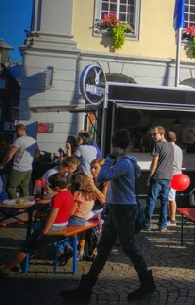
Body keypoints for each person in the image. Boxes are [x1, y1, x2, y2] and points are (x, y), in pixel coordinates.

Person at [61, 129, 156, 300]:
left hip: (124, 209)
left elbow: (102, 177)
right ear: (129, 145)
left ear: (113, 145)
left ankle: (147, 284)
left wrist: (110, 158)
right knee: (104, 247)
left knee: (129, 247)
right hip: (117, 208)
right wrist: (109, 206)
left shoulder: (123, 163)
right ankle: (86, 288)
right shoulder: (128, 162)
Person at [0, 173, 74, 274]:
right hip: (62, 224)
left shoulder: (58, 197)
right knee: (36, 246)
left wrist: (45, 230)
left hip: (53, 226)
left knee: (27, 245)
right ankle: (20, 263)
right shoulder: (69, 194)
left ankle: (6, 269)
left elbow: (53, 216)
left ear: (56, 187)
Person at [146, 126, 174, 232]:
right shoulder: (171, 146)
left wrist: (149, 176)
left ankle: (147, 223)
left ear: (161, 134)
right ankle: (162, 226)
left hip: (157, 176)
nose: (153, 136)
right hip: (167, 177)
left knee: (151, 201)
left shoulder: (158, 145)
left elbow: (154, 163)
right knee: (164, 201)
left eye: (155, 134)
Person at [2, 124, 40, 199]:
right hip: (28, 169)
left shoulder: (19, 140)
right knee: (24, 187)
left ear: (19, 130)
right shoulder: (33, 140)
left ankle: (16, 204)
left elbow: (10, 155)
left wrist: (3, 164)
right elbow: (37, 154)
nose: (16, 133)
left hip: (18, 168)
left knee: (10, 188)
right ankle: (27, 205)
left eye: (16, 131)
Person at [166, 131, 183, 227]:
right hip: (178, 174)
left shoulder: (167, 149)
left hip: (170, 174)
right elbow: (180, 163)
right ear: (175, 139)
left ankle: (172, 219)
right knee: (172, 197)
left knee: (171, 198)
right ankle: (170, 217)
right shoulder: (179, 149)